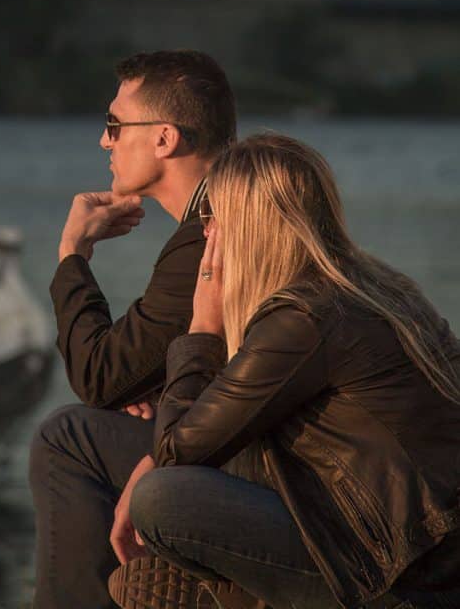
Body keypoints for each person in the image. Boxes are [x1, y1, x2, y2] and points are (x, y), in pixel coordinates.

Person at [109, 133, 460, 609]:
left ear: (248, 226)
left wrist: (202, 329)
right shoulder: (378, 287)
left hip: (396, 581)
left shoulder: (305, 319)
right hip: (421, 555)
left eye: (212, 216)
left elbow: (175, 454)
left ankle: (235, 596)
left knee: (162, 498)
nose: (206, 233)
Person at [29, 50, 238, 609]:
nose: (104, 141)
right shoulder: (231, 208)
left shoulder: (208, 234)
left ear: (164, 139)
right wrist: (164, 382)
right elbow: (130, 372)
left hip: (265, 457)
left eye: (115, 125)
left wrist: (74, 253)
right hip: (254, 436)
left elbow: (99, 376)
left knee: (68, 438)